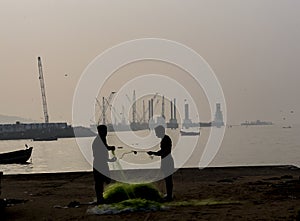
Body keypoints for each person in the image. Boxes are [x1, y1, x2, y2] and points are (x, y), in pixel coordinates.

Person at [147, 125, 174, 201]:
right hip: (166, 161)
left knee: (168, 179)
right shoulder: (164, 139)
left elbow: (164, 152)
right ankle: (169, 195)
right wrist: (153, 153)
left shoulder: (166, 139)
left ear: (160, 131)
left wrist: (153, 153)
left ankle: (169, 196)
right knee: (167, 179)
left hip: (167, 162)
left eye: (156, 132)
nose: (156, 134)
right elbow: (162, 151)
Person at [92, 125, 116, 204]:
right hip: (99, 164)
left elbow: (106, 148)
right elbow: (98, 155)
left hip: (102, 163)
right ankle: (100, 198)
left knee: (105, 180)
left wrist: (110, 148)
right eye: (104, 131)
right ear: (99, 131)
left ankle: (101, 197)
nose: (106, 133)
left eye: (106, 131)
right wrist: (110, 159)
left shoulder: (102, 139)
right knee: (100, 181)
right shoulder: (98, 140)